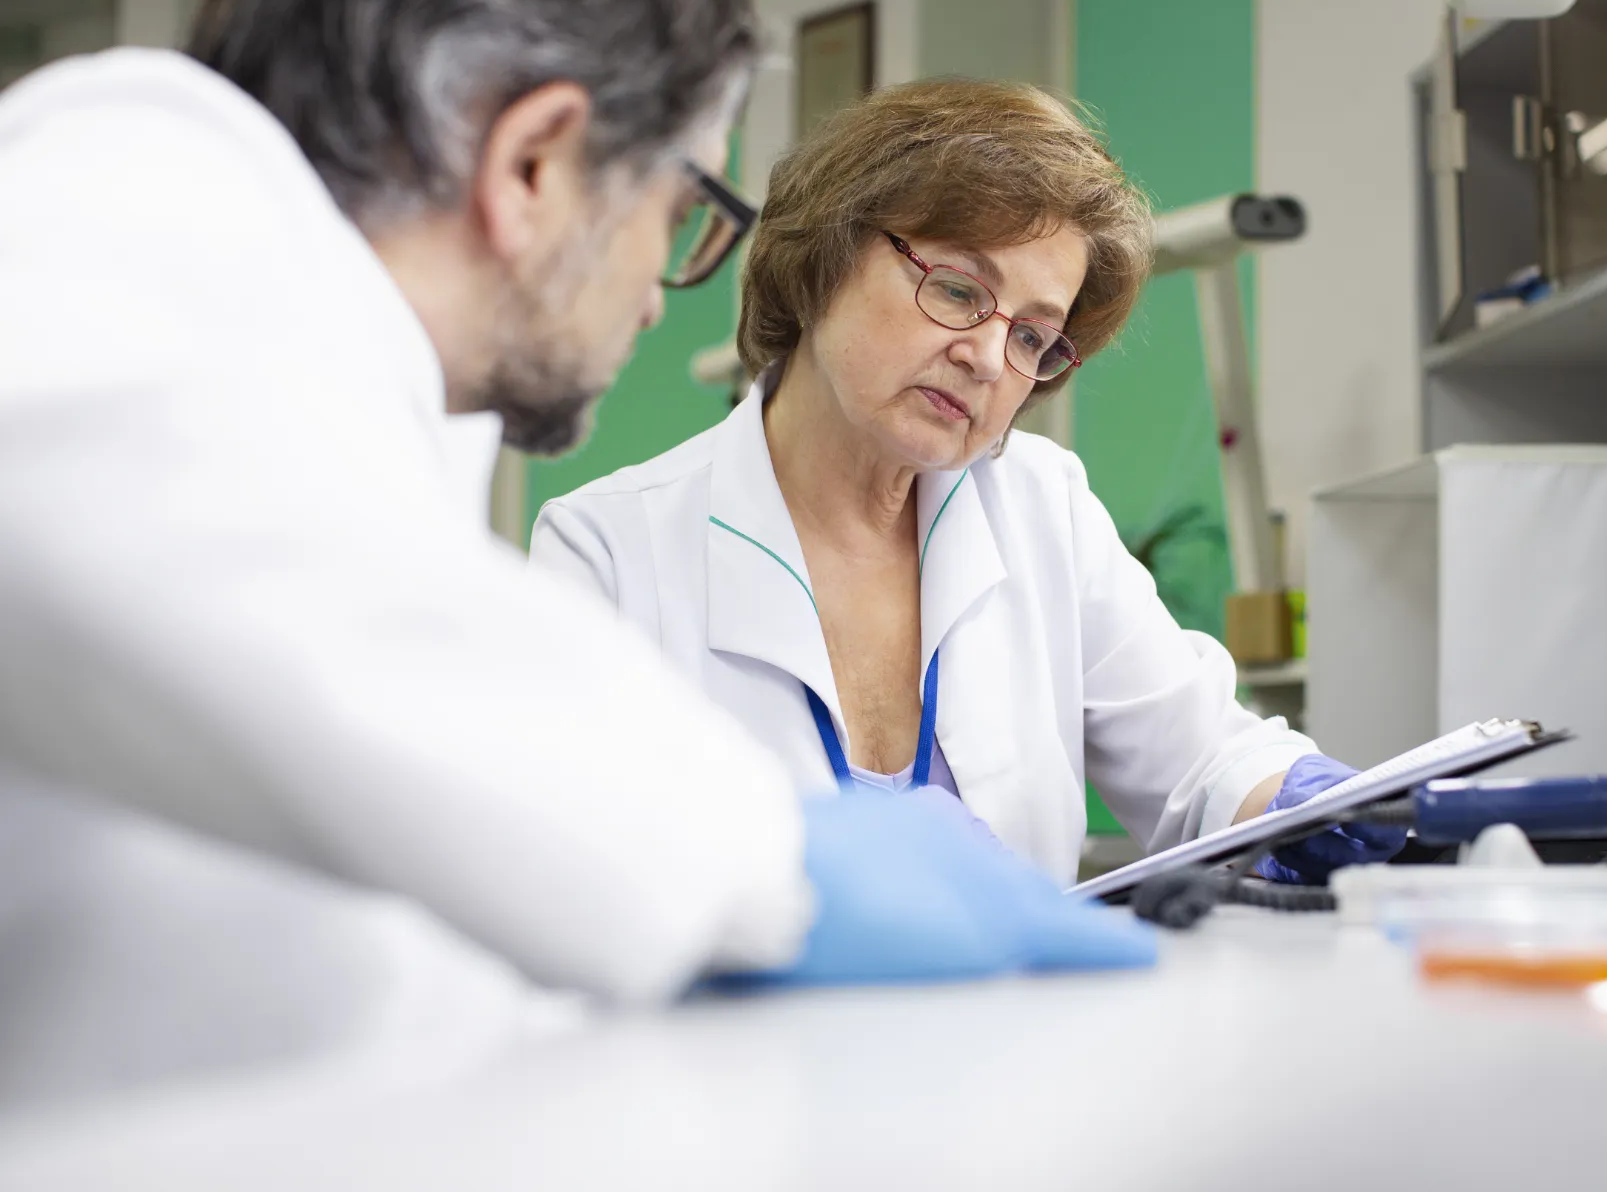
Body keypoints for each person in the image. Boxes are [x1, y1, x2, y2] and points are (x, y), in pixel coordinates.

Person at [0, 0, 1148, 1109]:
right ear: (536, 162)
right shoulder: (118, 210)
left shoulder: (349, 374)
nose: (660, 292)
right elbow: (291, 607)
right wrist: (766, 863)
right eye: (677, 207)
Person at [530, 81, 1406, 886]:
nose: (989, 356)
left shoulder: (1040, 505)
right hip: (741, 1050)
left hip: (1017, 1044)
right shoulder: (608, 550)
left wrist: (1312, 803)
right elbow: (578, 879)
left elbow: (1204, 763)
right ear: (826, 256)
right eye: (957, 290)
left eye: (1033, 336)